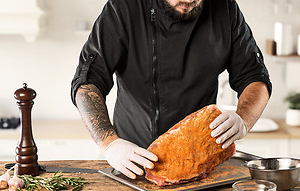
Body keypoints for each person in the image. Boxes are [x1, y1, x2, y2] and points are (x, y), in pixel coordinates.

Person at [71, 0, 272, 179]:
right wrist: (110, 143)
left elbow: (254, 77)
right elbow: (88, 82)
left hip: (201, 162)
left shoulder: (225, 9)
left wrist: (244, 119)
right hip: (132, 160)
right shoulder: (123, 7)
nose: (189, 0)